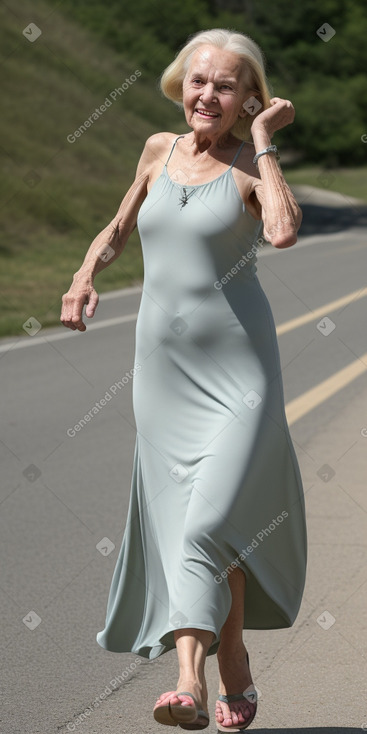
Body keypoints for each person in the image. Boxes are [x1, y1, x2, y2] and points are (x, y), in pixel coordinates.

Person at [61, 28, 307, 732]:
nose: (207, 95)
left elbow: (285, 231)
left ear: (247, 97)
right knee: (194, 526)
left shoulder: (248, 164)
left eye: (226, 86)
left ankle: (185, 681)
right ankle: (231, 662)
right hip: (162, 377)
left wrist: (261, 137)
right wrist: (83, 277)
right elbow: (116, 226)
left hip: (241, 377)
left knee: (204, 521)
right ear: (181, 83)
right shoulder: (156, 150)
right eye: (199, 81)